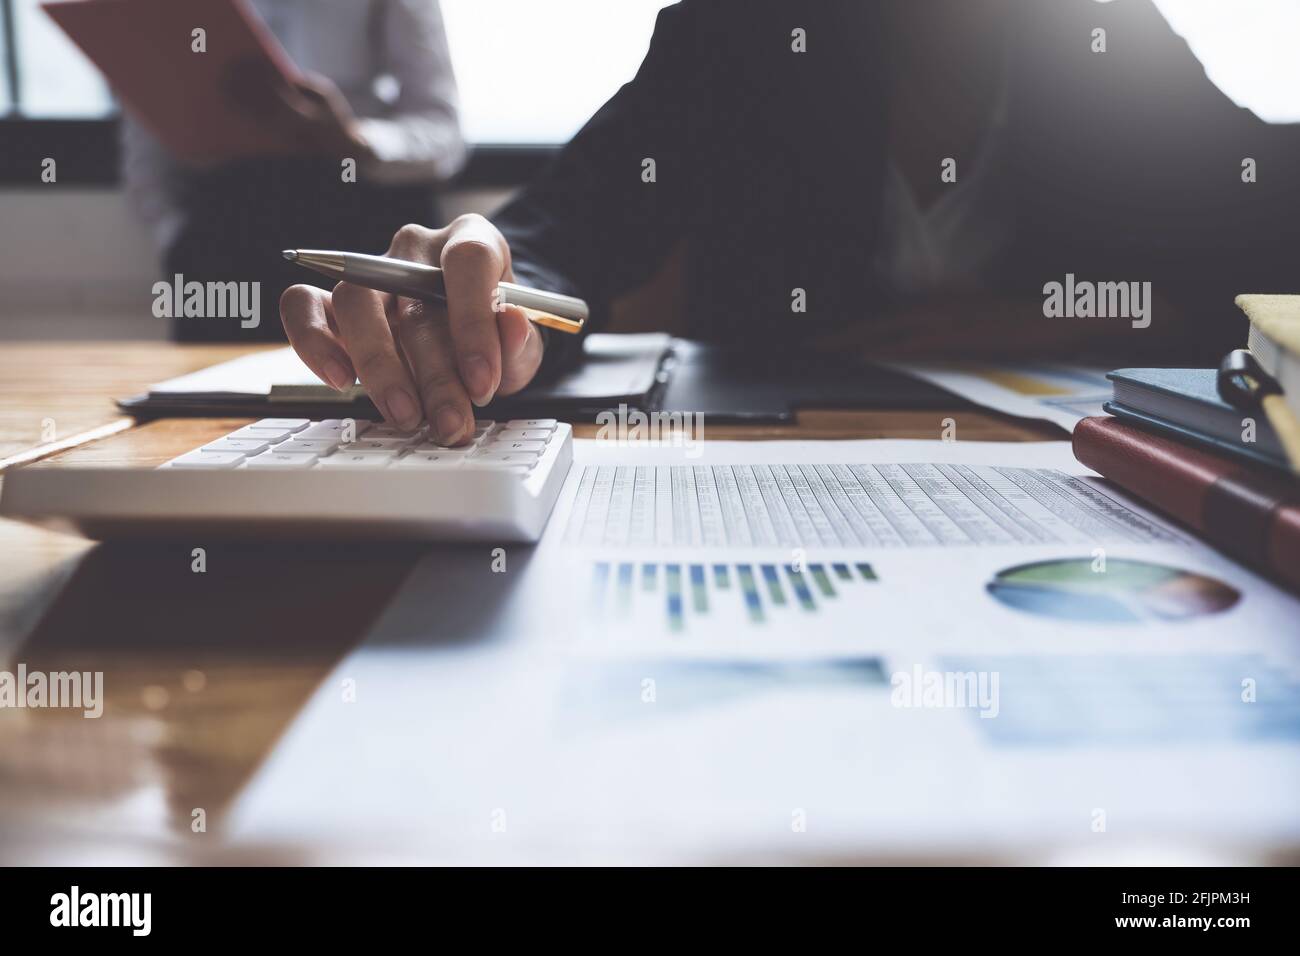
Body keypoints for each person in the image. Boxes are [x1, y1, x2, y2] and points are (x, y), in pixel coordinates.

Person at [279, 0, 1300, 445]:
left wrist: (1097, 313)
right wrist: (474, 270)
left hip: (1065, 468)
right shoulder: (744, 36)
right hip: (765, 454)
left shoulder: (1105, 42)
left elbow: (1266, 216)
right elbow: (565, 233)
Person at [123, 0, 465, 341]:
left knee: (371, 378)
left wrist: (354, 141)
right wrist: (178, 238)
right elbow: (148, 132)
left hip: (362, 217)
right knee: (205, 389)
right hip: (225, 233)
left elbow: (442, 134)